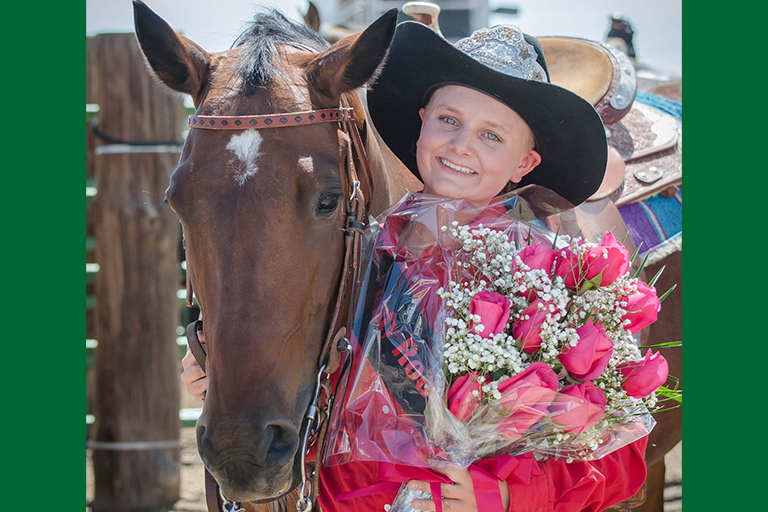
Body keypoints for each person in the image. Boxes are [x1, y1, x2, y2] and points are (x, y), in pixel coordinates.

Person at [182, 20, 647, 512]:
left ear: (524, 164)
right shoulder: (351, 252)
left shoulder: (555, 280)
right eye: (448, 119)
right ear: (422, 120)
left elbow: (622, 457)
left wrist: (505, 496)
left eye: (491, 135)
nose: (461, 145)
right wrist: (227, 377)